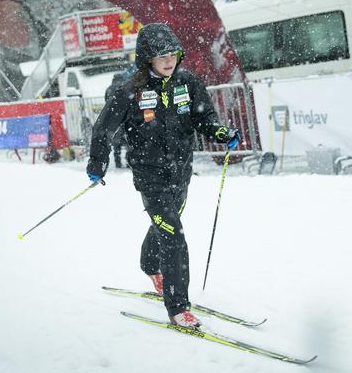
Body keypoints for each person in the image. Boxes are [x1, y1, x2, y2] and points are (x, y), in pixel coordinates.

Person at [87, 23, 240, 328]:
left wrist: (221, 132)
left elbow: (204, 117)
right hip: (150, 175)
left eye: (172, 54)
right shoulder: (129, 90)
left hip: (181, 171)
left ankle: (148, 264)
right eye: (161, 56)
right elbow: (103, 128)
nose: (169, 61)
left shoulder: (186, 82)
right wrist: (97, 163)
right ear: (147, 59)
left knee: (168, 224)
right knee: (173, 235)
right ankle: (178, 307)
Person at [105, 73, 128, 169]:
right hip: (125, 116)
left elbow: (106, 101)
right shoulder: (125, 86)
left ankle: (117, 161)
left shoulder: (109, 89)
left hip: (113, 117)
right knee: (128, 140)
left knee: (116, 140)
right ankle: (128, 161)